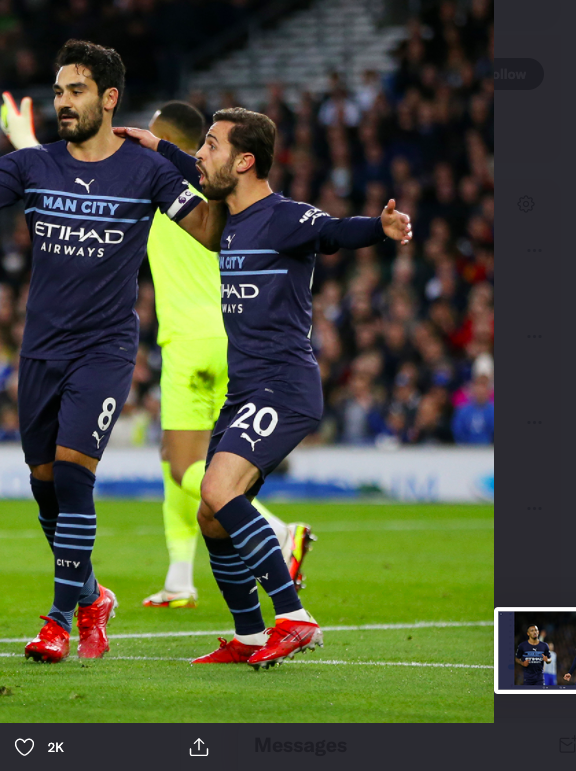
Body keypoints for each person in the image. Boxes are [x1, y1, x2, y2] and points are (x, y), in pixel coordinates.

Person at [0, 40, 228, 662]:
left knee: (71, 474)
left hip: (106, 348)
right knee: (44, 488)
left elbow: (211, 230)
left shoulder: (146, 172)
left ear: (109, 98)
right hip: (40, 351)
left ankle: (60, 620)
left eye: (76, 91)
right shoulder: (35, 165)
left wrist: (196, 164)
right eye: (58, 91)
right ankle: (91, 595)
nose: (62, 102)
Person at [117, 107, 410, 669]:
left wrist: (380, 226)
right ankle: (250, 635)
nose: (200, 154)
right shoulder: (227, 219)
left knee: (217, 488)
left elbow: (332, 231)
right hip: (244, 390)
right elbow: (189, 167)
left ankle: (295, 619)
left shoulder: (283, 218)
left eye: (211, 145)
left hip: (283, 387)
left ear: (245, 160)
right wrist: (157, 145)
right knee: (210, 513)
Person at [2, 95, 315, 609]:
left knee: (186, 467)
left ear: (166, 134)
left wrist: (22, 137)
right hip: (235, 340)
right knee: (187, 460)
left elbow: (76, 185)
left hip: (188, 343)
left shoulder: (153, 182)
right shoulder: (218, 194)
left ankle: (278, 533)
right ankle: (179, 577)